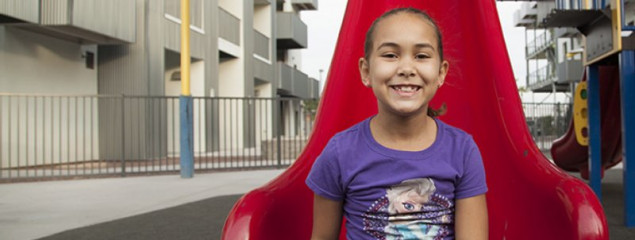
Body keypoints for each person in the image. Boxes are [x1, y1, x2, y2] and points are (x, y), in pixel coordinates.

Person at [306, 7, 488, 240]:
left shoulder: (462, 150)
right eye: (390, 55)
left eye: (421, 56)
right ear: (366, 71)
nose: (406, 69)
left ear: (441, 72)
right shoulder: (340, 153)